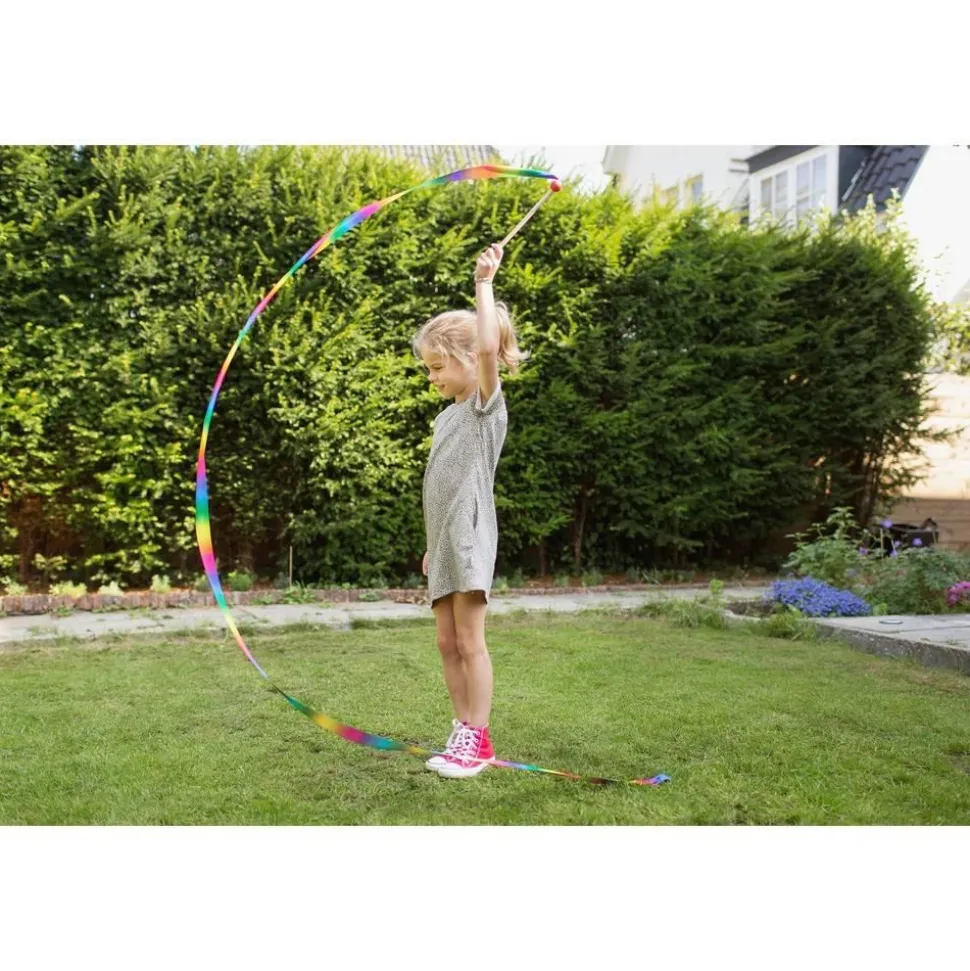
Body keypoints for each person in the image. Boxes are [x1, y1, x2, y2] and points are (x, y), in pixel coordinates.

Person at [410, 242, 526, 778]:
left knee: (470, 641)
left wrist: (484, 282)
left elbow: (487, 350)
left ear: (466, 359)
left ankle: (477, 739)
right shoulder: (446, 417)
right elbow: (441, 486)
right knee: (446, 641)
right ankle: (463, 731)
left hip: (470, 536)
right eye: (428, 368)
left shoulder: (484, 409)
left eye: (437, 366)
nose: (432, 377)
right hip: (445, 542)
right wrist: (431, 546)